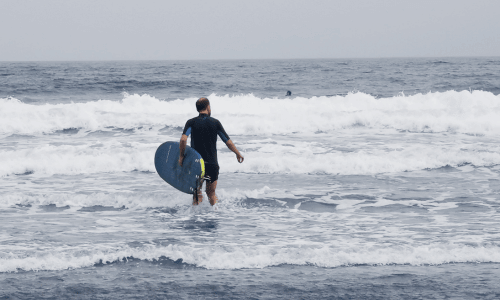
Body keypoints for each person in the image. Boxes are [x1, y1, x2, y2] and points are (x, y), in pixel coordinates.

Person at [178, 97, 244, 206]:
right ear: (208, 107)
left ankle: (195, 217)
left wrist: (181, 156)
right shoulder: (215, 122)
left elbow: (183, 139)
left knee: (197, 193)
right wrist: (237, 153)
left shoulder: (191, 122)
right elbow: (227, 142)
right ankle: (215, 214)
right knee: (211, 193)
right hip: (212, 164)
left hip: (197, 164)